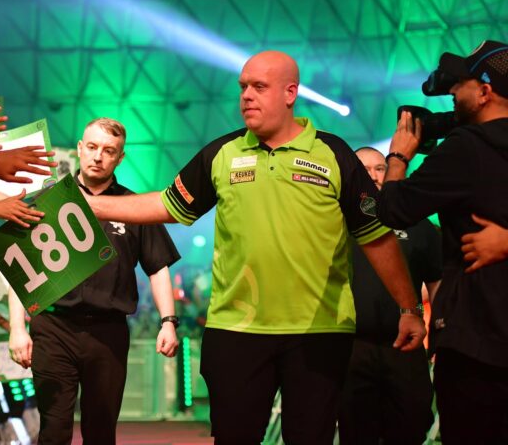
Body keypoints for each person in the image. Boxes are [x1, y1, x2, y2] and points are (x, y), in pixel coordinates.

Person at [85, 51, 426, 444]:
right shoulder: (221, 153)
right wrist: (91, 205)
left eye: (259, 87)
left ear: (290, 93)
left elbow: (376, 236)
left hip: (319, 331)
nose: (246, 95)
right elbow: (166, 205)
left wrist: (408, 308)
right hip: (235, 331)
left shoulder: (334, 155)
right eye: (243, 86)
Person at [8, 117, 181, 445]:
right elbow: (19, 269)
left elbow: (157, 267)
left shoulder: (133, 206)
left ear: (120, 157)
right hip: (53, 328)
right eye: (92, 147)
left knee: (101, 432)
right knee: (53, 430)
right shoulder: (48, 201)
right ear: (79, 149)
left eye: (108, 150)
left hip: (108, 331)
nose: (98, 156)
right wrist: (16, 328)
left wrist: (168, 322)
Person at [377, 39, 508, 443]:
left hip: (476, 338)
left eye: (459, 85)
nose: (452, 92)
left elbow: (394, 209)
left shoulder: (466, 148)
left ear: (484, 92)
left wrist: (399, 156)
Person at [338, 146, 441, 445]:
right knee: (356, 434)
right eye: (364, 169)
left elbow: (438, 284)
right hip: (350, 348)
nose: (372, 176)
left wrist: (441, 335)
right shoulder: (333, 226)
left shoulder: (419, 226)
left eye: (379, 168)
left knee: (410, 428)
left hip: (406, 348)